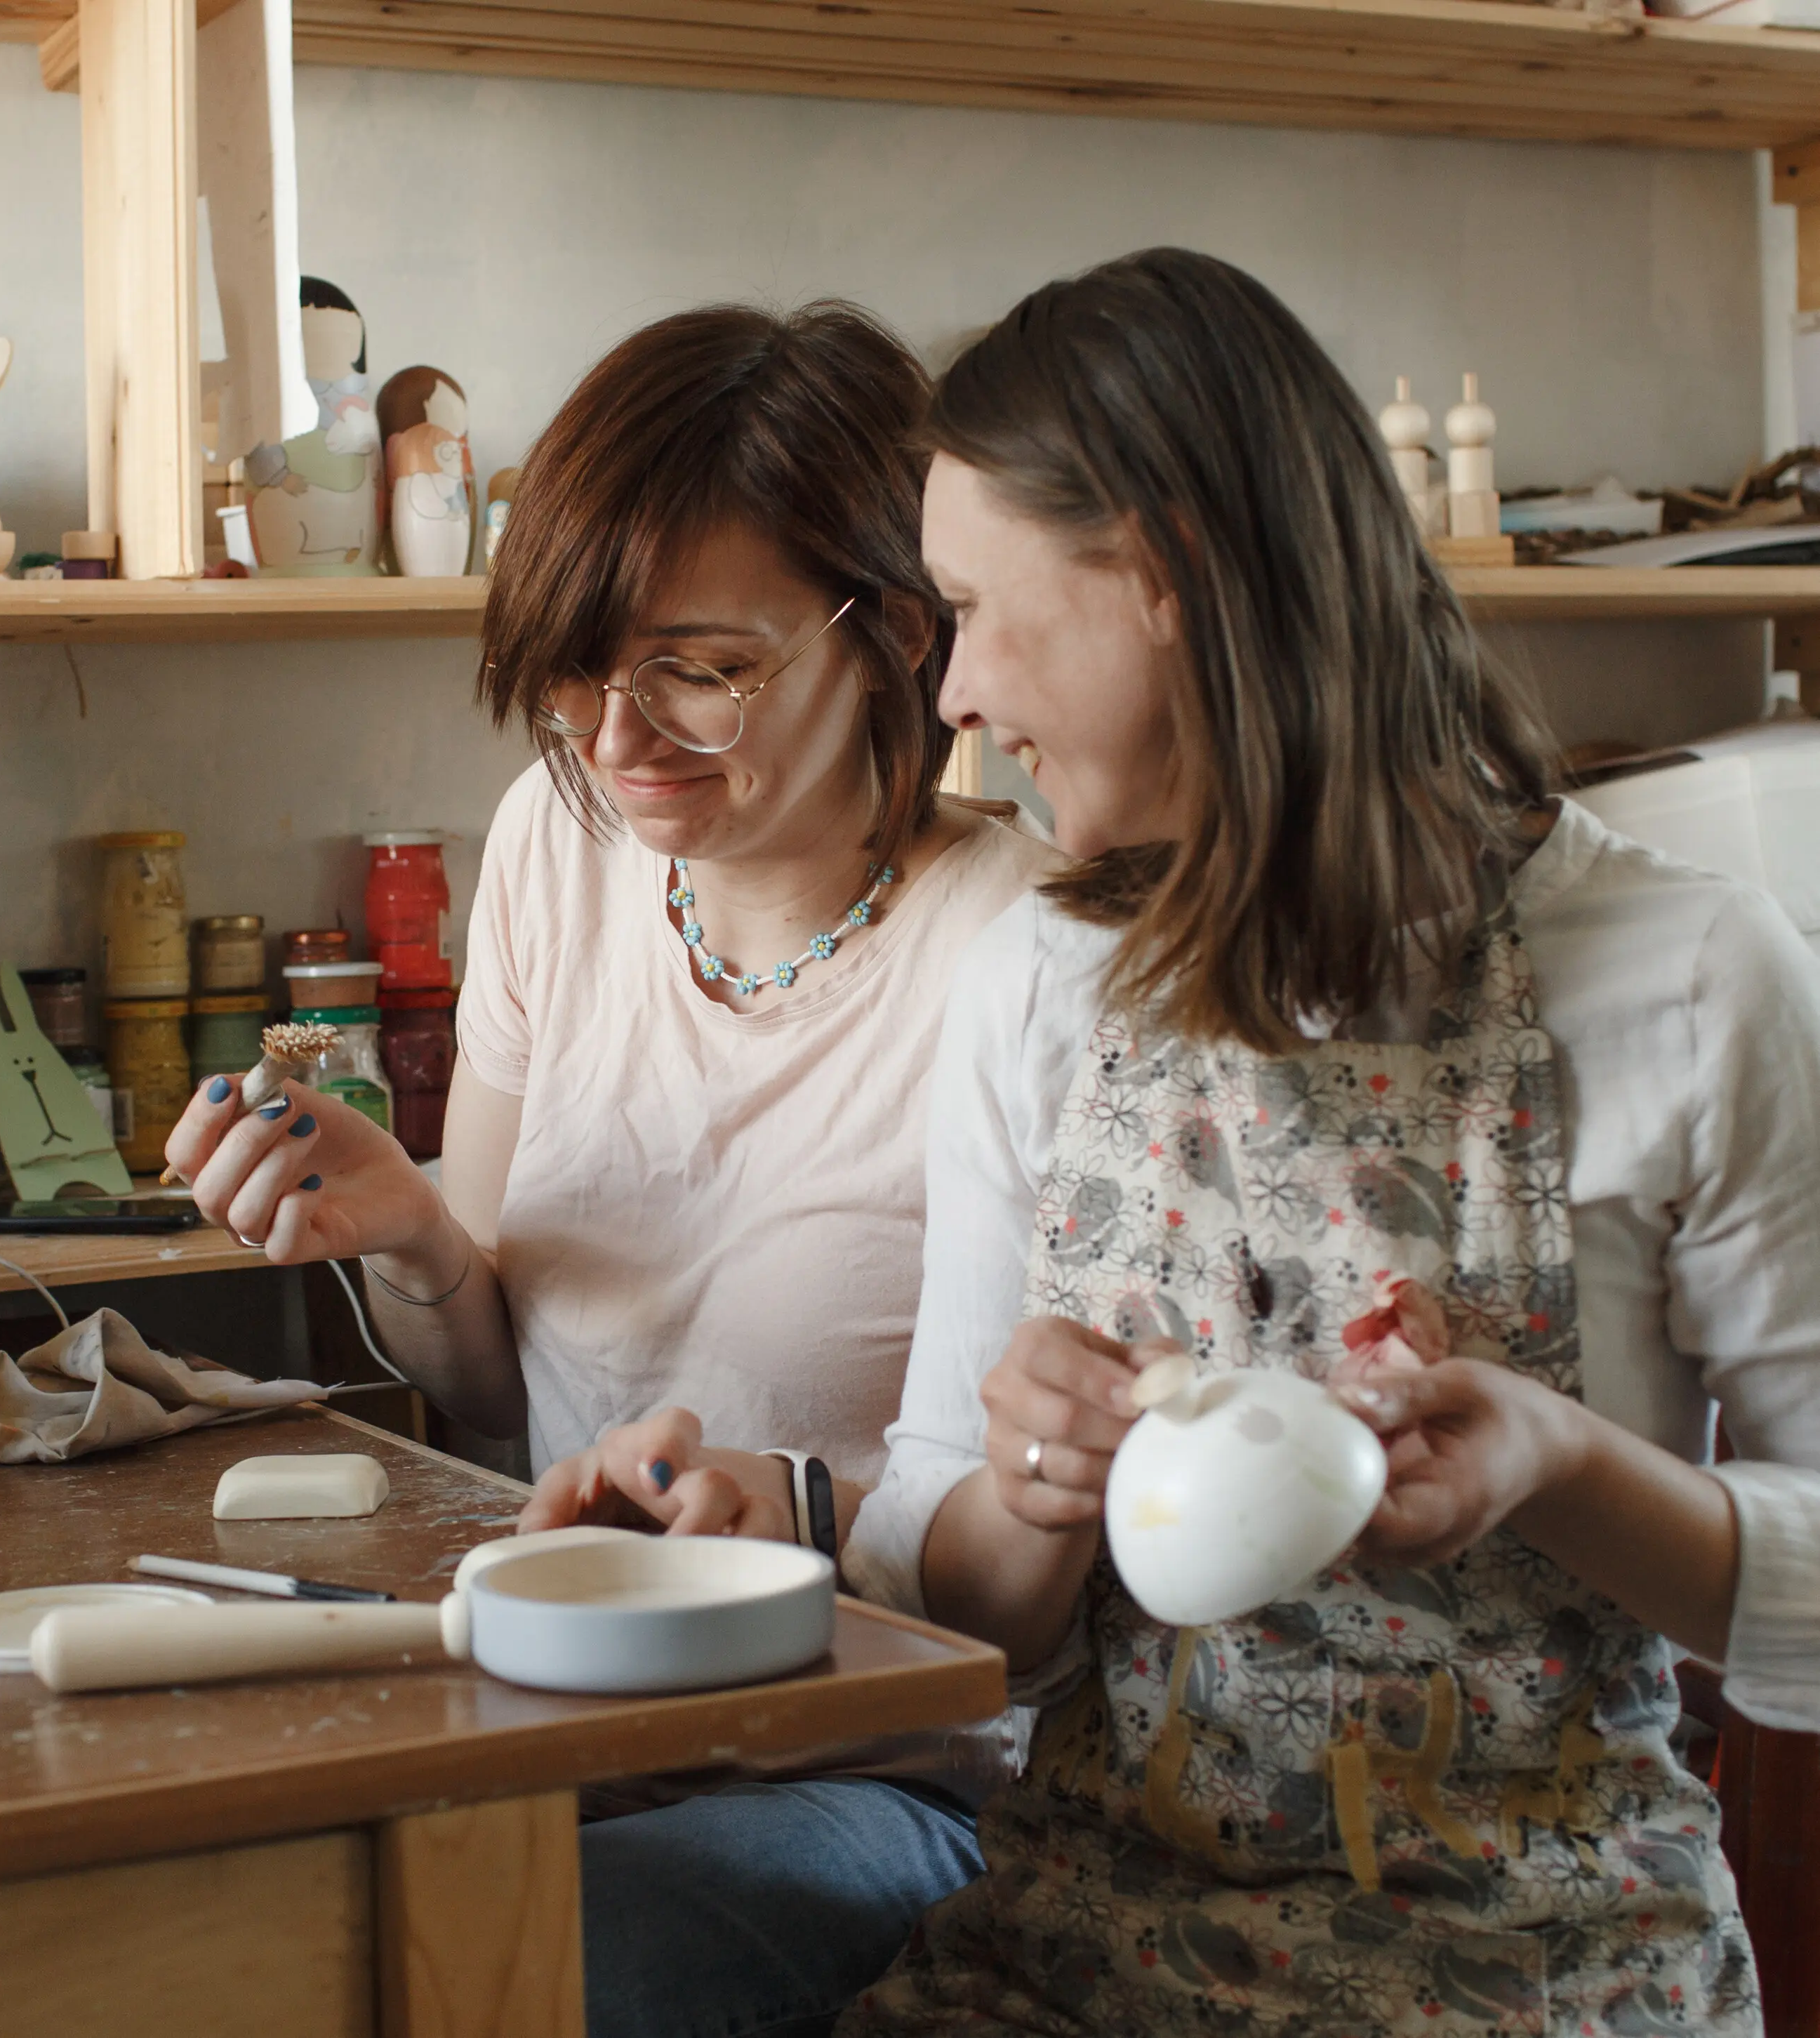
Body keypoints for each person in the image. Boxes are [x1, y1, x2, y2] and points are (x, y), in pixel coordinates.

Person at [827, 248, 1820, 2033]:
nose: (955, 688)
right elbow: (951, 1603)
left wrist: (1566, 1468)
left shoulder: (1691, 975)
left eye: (976, 608)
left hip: (1551, 1968)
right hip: (1087, 1957)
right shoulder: (1037, 982)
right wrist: (1028, 1490)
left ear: (1168, 570)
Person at [164, 301, 1061, 2038]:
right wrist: (417, 1233)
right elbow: (500, 1382)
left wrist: (784, 1514)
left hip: (886, 1763)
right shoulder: (556, 845)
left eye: (700, 667)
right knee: (192, 1896)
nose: (617, 735)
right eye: (577, 668)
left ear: (893, 626)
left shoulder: (1022, 948)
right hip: (566, 1706)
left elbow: (1037, 1560)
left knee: (554, 1951)